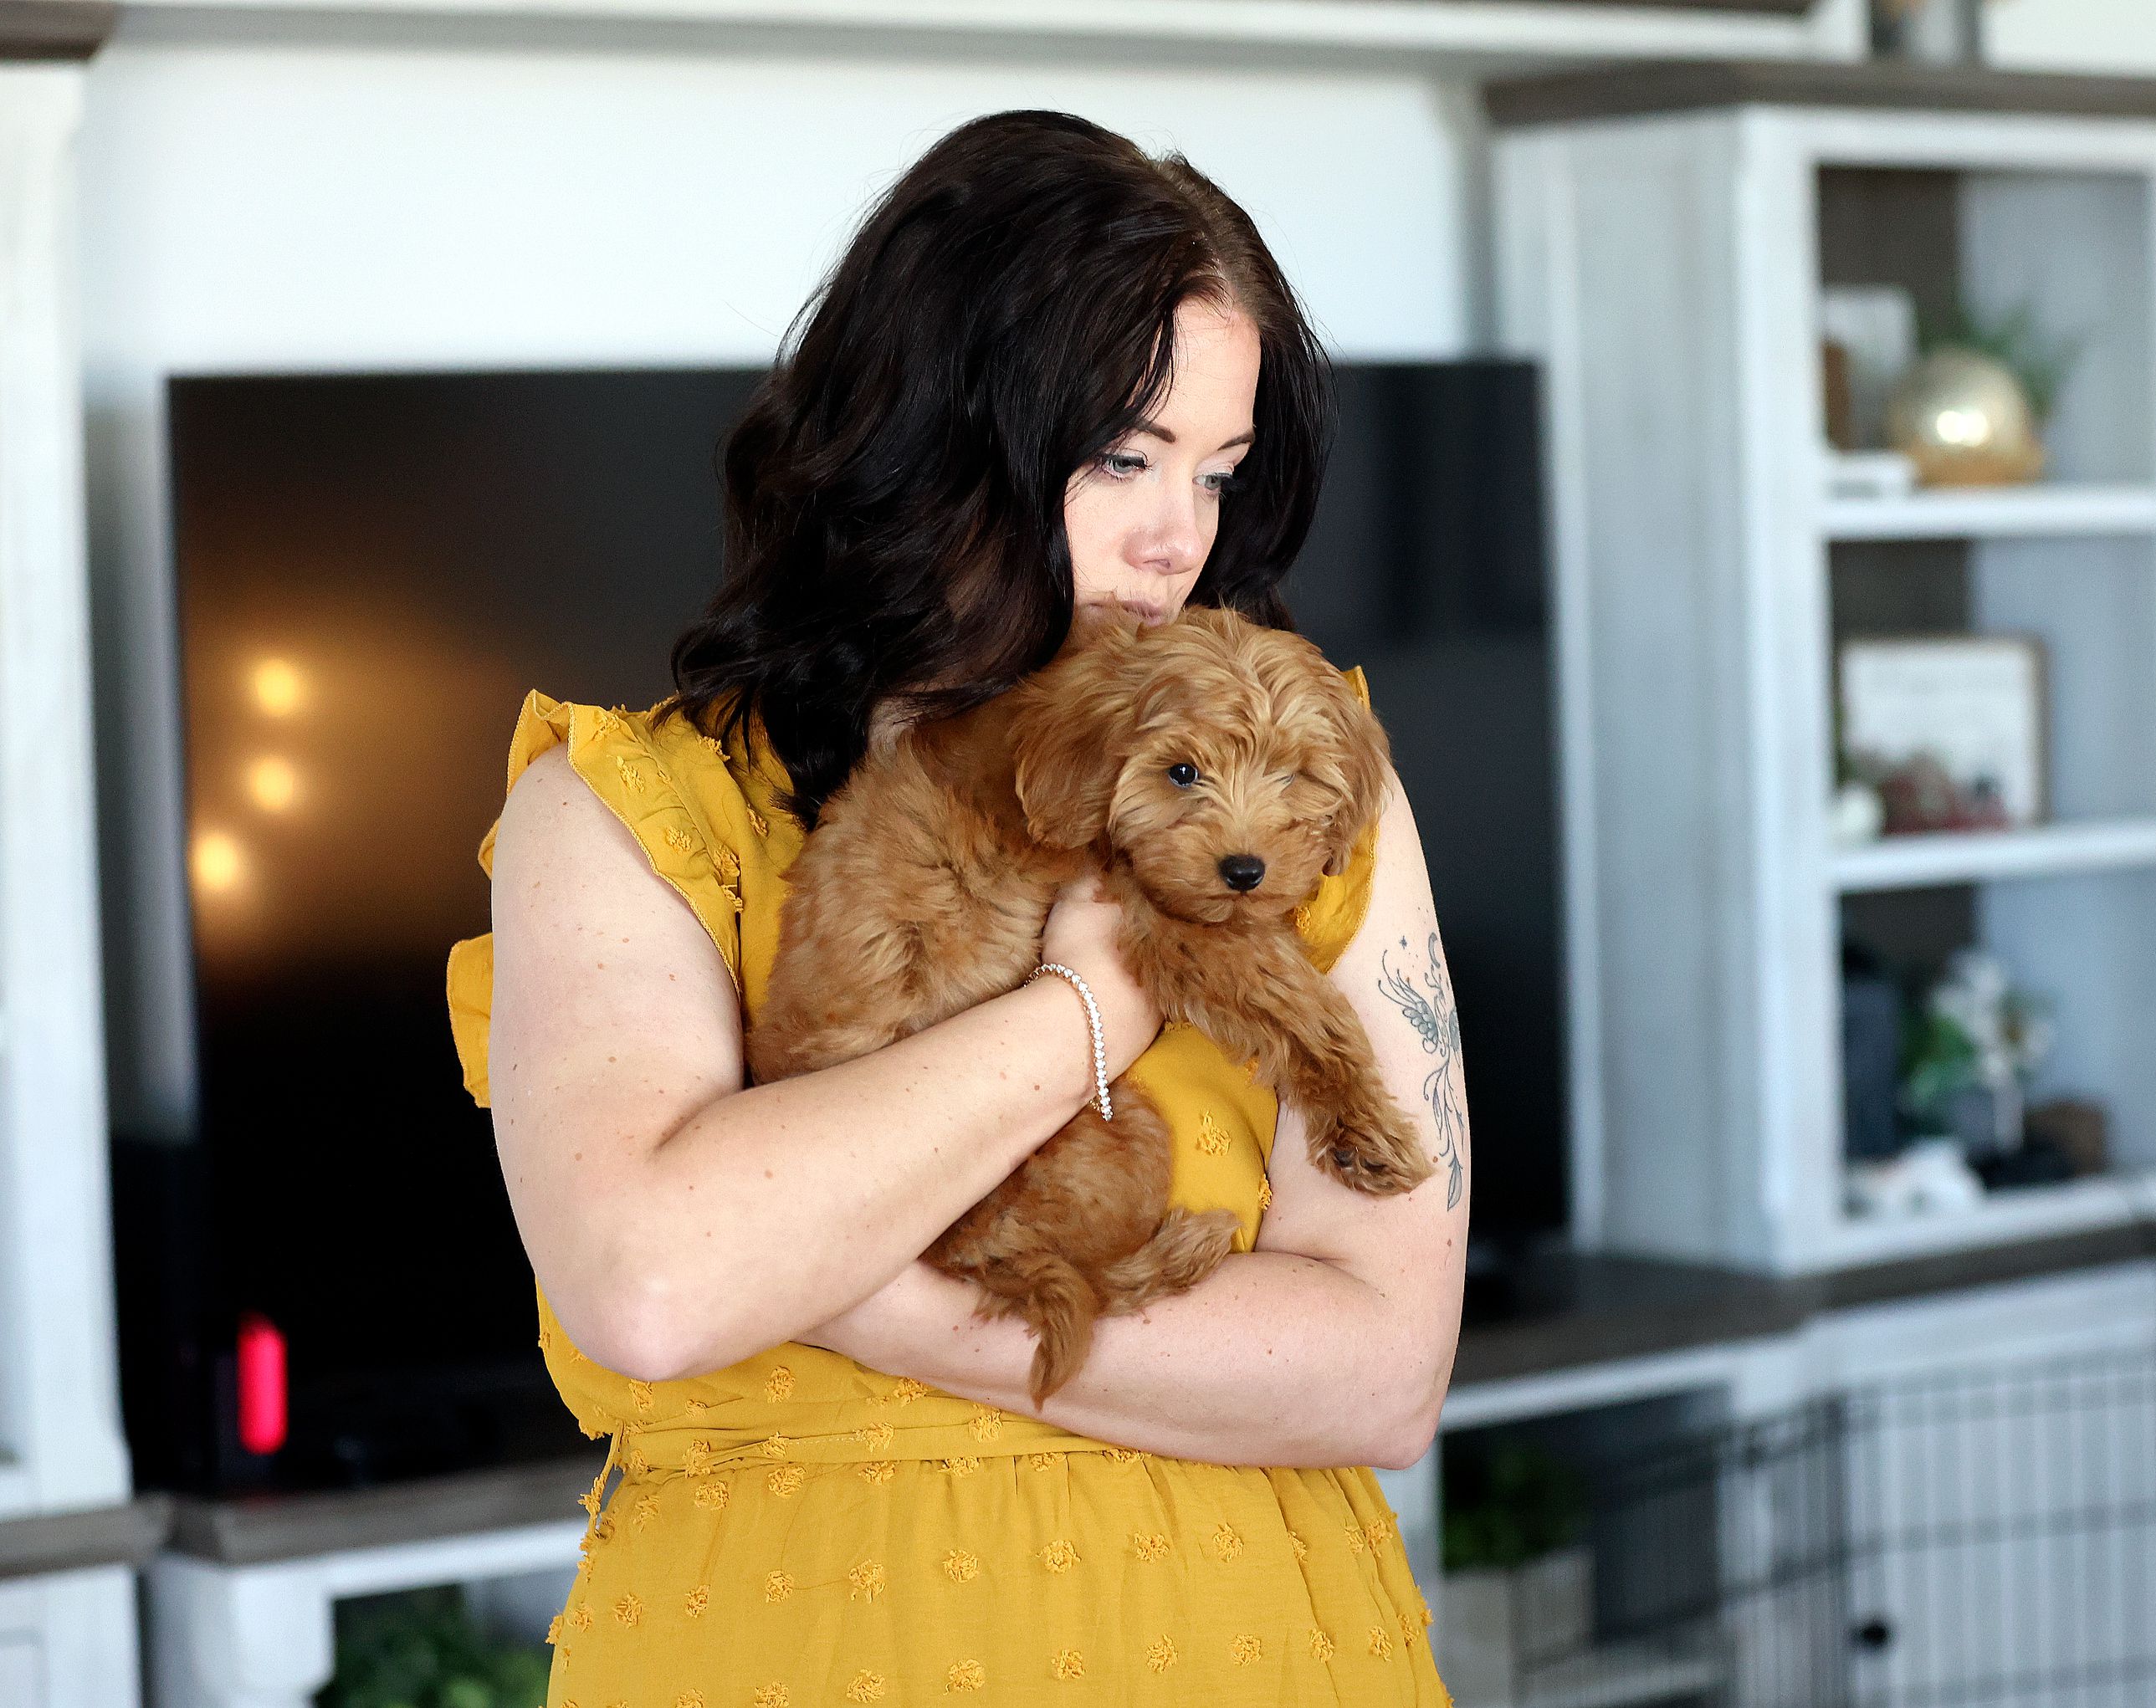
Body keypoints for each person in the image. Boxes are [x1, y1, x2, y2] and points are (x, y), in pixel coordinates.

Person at [445, 109, 1471, 1705]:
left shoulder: (1302, 780)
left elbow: (1384, 1370)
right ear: (930, 434)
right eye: (1121, 456)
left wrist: (832, 1274)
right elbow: (655, 1287)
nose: (1177, 537)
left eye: (1219, 469)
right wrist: (1089, 1011)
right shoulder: (629, 812)